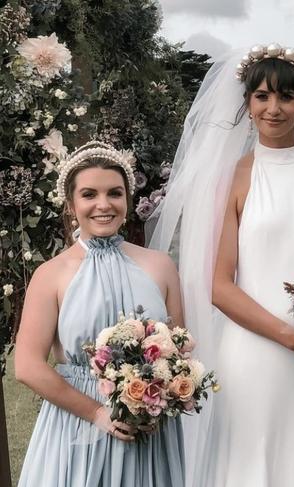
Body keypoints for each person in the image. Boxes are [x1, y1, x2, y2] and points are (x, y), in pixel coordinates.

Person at [149, 44, 294, 487]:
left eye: (285, 97)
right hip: (257, 355)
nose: (273, 108)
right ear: (247, 104)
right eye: (262, 96)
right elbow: (218, 286)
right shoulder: (233, 177)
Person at [14, 141, 185, 486]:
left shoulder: (160, 266)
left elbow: (179, 348)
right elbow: (27, 366)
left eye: (115, 193)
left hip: (148, 425)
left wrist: (160, 394)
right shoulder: (52, 274)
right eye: (89, 194)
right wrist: (96, 413)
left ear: (128, 200)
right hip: (77, 423)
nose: (103, 205)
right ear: (71, 205)